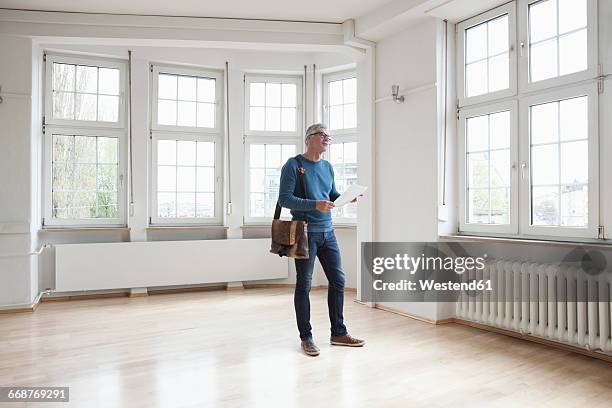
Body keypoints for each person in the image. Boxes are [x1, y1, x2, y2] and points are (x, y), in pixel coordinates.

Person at [278, 123, 365, 357]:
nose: (327, 138)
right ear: (309, 139)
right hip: (304, 232)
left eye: (329, 136)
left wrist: (348, 198)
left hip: (328, 232)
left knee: (338, 281)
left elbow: (331, 195)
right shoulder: (294, 165)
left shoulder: (327, 166)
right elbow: (285, 199)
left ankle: (338, 333)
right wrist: (313, 204)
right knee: (304, 285)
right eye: (322, 135)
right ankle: (306, 337)